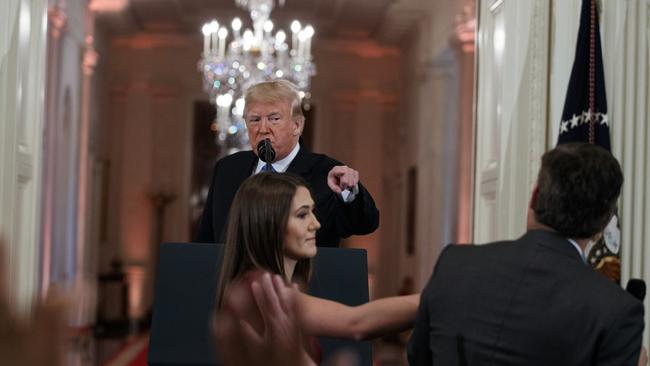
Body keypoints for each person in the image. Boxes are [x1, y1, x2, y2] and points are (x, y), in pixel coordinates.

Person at [407, 143, 645, 365]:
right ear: (603, 224)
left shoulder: (453, 264)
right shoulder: (616, 313)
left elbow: (418, 357)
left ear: (534, 197)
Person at [214, 172, 417, 363]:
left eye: (313, 212)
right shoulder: (262, 289)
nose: (316, 224)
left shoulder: (268, 285)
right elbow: (356, 323)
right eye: (302, 215)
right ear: (269, 222)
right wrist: (434, 297)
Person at [195, 80, 379, 247]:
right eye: (255, 119)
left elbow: (365, 223)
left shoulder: (327, 173)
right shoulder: (227, 168)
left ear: (297, 126)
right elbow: (206, 239)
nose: (263, 129)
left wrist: (349, 192)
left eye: (274, 119)